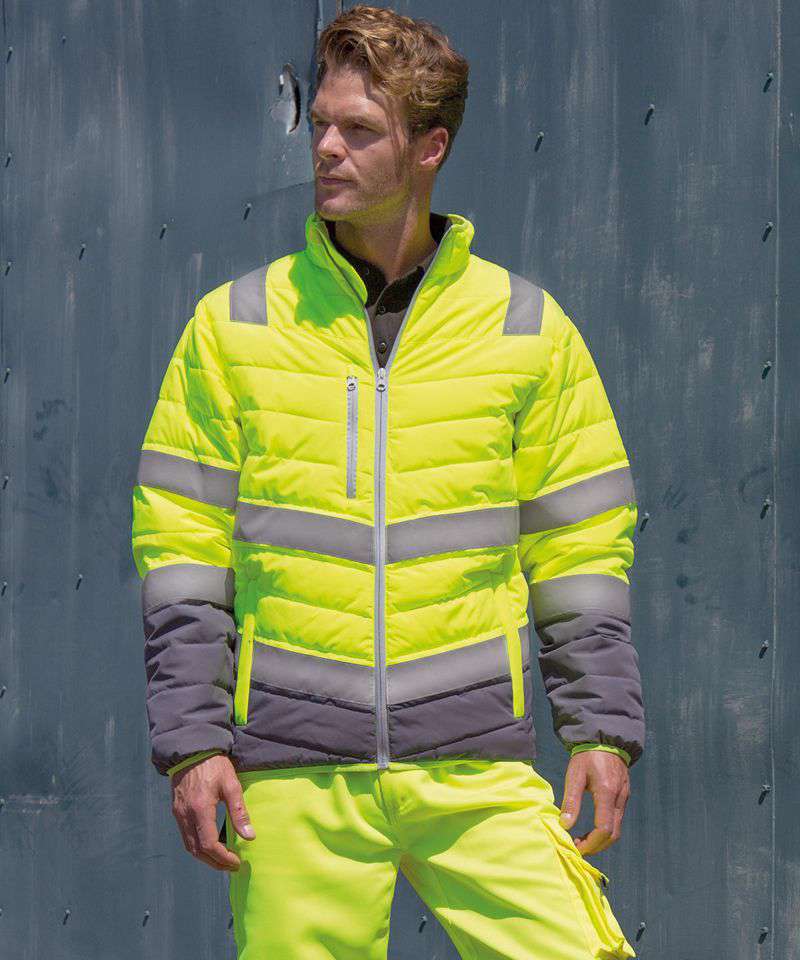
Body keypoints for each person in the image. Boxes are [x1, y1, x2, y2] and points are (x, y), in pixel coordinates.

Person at [131, 5, 644, 957]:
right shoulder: (234, 327)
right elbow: (182, 555)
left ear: (429, 147)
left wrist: (600, 731)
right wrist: (194, 744)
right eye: (322, 123)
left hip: (477, 770)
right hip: (293, 776)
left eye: (359, 130)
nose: (325, 147)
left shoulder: (525, 329)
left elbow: (580, 552)